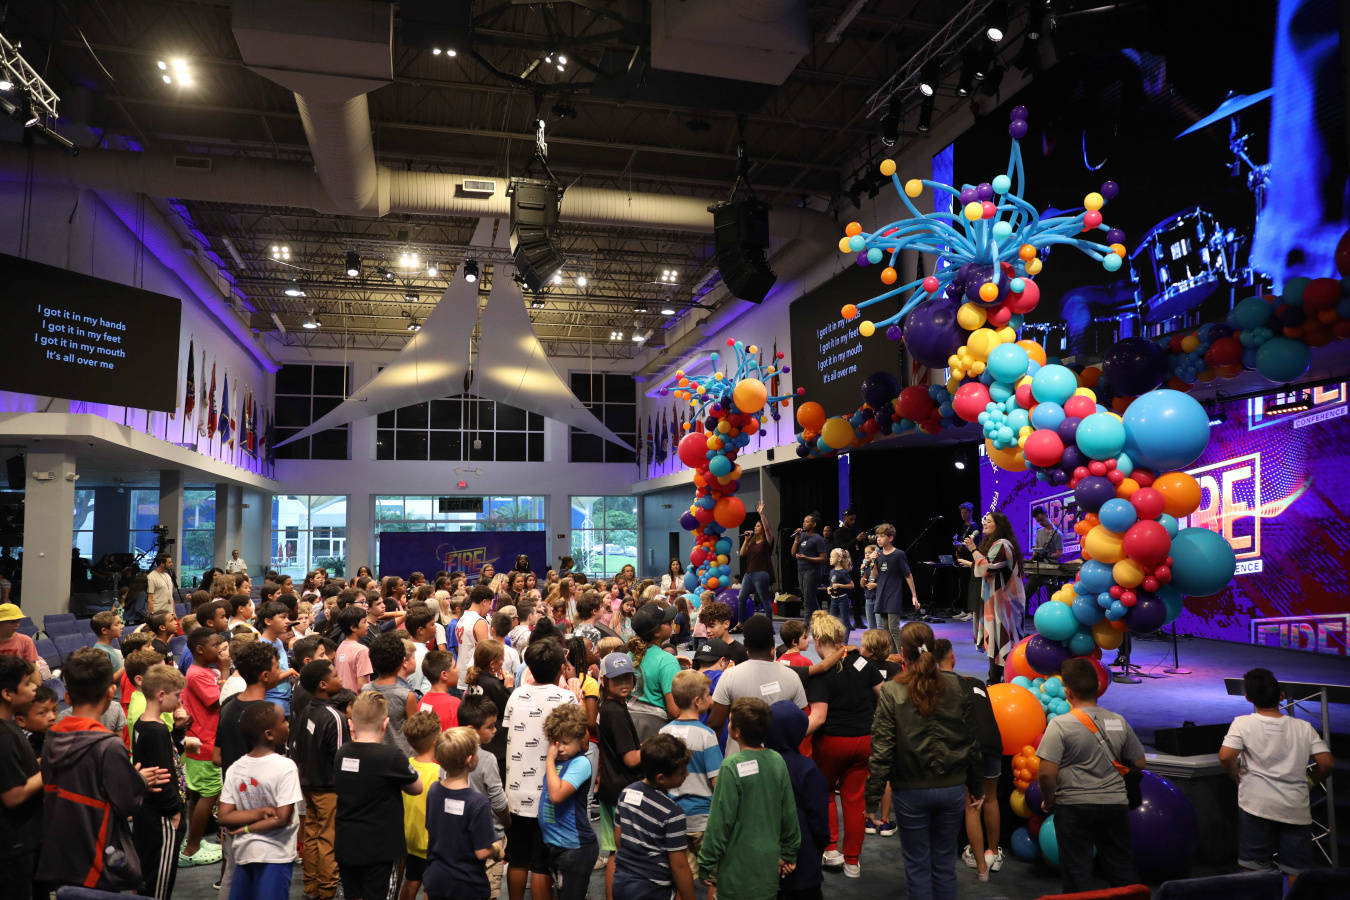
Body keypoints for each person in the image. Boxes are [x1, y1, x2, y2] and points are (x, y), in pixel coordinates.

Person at [865, 622, 983, 900]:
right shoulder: (958, 686)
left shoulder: (892, 690)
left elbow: (882, 749)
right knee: (945, 864)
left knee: (917, 866)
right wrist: (976, 786)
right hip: (952, 788)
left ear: (902, 652)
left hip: (910, 790)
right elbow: (972, 741)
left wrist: (872, 799)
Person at [38, 648, 168, 891]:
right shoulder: (108, 745)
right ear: (111, 691)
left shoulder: (52, 736)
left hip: (62, 851)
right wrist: (139, 780)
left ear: (67, 697)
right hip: (97, 853)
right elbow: (127, 804)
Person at [1036, 657, 1146, 894]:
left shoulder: (1060, 725)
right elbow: (1139, 762)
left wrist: (1049, 800)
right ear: (1098, 687)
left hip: (1073, 806)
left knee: (1077, 874)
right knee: (1122, 868)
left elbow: (1046, 774)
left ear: (1067, 692)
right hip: (1116, 804)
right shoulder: (1119, 721)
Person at [1220, 667, 1335, 884]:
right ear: (1281, 695)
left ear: (1248, 697)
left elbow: (1226, 757)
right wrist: (1310, 779)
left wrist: (1236, 776)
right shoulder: (1304, 727)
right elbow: (1327, 764)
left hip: (1256, 805)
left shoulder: (1242, 723)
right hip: (1295, 808)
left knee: (1255, 870)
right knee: (1297, 872)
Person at [805, 611, 883, 878]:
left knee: (826, 793)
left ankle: (830, 850)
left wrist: (790, 734)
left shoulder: (820, 674)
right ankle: (852, 861)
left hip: (832, 742)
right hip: (865, 741)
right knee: (854, 799)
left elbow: (818, 718)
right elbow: (885, 694)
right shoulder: (863, 662)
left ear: (818, 641)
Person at [698, 697, 800, 898]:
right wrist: (789, 853)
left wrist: (706, 862)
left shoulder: (730, 766)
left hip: (735, 873)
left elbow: (720, 821)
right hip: (768, 870)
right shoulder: (777, 760)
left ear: (736, 732)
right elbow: (789, 812)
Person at [503, 639, 578, 900]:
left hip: (515, 791)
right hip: (549, 792)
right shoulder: (567, 697)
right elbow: (577, 741)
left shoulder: (516, 694)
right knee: (541, 863)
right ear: (561, 667)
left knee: (517, 858)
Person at [334, 692, 424, 900]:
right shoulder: (392, 756)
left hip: (347, 842)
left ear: (351, 724)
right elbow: (416, 787)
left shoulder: (342, 753)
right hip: (382, 847)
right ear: (385, 724)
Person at [216, 641, 283, 900]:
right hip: (261, 812)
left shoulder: (228, 706)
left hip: (234, 807)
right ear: (265, 675)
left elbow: (216, 757)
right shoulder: (267, 715)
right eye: (277, 667)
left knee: (234, 879)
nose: (281, 672)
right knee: (263, 884)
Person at [933, 639, 1004, 881]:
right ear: (952, 657)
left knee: (973, 805)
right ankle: (994, 854)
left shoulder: (935, 686)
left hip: (971, 746)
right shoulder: (976, 682)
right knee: (991, 798)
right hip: (993, 743)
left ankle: (982, 867)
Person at [218, 702, 303, 900]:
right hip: (276, 855)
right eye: (283, 721)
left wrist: (246, 825)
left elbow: (225, 815)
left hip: (244, 852)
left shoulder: (235, 768)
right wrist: (261, 813)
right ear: (269, 734)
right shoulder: (286, 766)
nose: (288, 724)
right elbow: (282, 818)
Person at [129, 663, 194, 900]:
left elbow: (170, 756)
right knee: (158, 884)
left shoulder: (146, 724)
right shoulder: (155, 731)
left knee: (150, 877)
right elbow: (160, 776)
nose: (178, 702)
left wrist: (178, 730)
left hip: (151, 814)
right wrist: (174, 813)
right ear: (161, 695)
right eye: (176, 695)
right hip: (162, 818)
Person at [609, 733, 696, 900]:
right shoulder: (673, 813)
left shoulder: (627, 792)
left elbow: (619, 839)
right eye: (681, 772)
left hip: (621, 881)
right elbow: (679, 866)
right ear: (661, 778)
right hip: (654, 889)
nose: (686, 774)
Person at [659, 670, 723, 896]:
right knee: (714, 879)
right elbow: (717, 781)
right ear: (697, 701)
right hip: (704, 819)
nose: (711, 699)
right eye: (709, 695)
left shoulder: (664, 732)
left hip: (673, 817)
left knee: (680, 878)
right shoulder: (707, 735)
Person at [705, 615, 808, 757]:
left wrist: (711, 758)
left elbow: (715, 723)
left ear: (745, 644)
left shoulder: (729, 675)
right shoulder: (792, 676)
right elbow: (800, 722)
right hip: (780, 759)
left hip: (739, 760)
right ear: (773, 642)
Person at [424, 727, 502, 900]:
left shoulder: (433, 790)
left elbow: (431, 827)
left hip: (437, 878)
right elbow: (482, 852)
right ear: (469, 760)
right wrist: (498, 849)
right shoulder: (478, 802)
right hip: (467, 883)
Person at [293, 660, 349, 900]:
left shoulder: (307, 710)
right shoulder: (335, 716)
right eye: (336, 676)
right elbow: (342, 759)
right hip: (329, 788)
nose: (340, 679)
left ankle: (311, 887)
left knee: (312, 835)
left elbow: (296, 749)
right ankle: (328, 890)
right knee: (328, 837)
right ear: (323, 685)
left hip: (308, 784)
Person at [766, 701, 830, 900]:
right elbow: (818, 816)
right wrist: (823, 841)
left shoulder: (757, 765)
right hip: (804, 855)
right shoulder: (807, 768)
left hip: (764, 855)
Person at [180, 627, 229, 866]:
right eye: (215, 645)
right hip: (205, 741)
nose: (219, 649)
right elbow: (221, 701)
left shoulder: (204, 671)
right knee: (209, 793)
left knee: (199, 792)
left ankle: (195, 840)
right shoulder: (197, 674)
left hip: (203, 738)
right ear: (200, 649)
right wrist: (226, 671)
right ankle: (191, 849)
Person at [540, 704, 599, 899]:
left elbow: (557, 796)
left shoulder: (580, 763)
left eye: (565, 743)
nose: (560, 748)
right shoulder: (559, 762)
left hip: (575, 847)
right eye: (556, 742)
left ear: (581, 739)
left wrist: (549, 760)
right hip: (557, 844)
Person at [964, 511, 1025, 685]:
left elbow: (987, 568)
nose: (984, 523)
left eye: (989, 521)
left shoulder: (1003, 545)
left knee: (1001, 638)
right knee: (995, 639)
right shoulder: (996, 544)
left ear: (999, 526)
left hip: (1005, 602)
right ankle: (996, 678)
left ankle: (998, 679)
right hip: (996, 601)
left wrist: (973, 549)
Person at [0, 655, 42, 900]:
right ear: (7, 693)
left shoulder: (10, 726)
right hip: (13, 847)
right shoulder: (4, 737)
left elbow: (19, 769)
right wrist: (51, 769)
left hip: (24, 841)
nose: (34, 686)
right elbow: (13, 795)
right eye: (27, 683)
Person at [460, 697, 510, 897]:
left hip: (461, 837)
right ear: (472, 730)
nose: (495, 730)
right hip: (490, 837)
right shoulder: (487, 759)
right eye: (490, 727)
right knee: (488, 890)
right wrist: (507, 822)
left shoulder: (448, 756)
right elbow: (498, 800)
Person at [400, 711, 443, 900]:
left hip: (407, 836)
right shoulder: (438, 772)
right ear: (435, 740)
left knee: (411, 880)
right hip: (430, 840)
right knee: (432, 888)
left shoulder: (405, 765)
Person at [360, 633, 418, 758]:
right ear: (402, 662)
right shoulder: (406, 695)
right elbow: (415, 731)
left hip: (373, 756)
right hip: (401, 758)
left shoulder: (365, 690)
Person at [630, 603, 681, 741]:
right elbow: (675, 711)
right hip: (656, 732)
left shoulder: (629, 654)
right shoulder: (666, 660)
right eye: (667, 622)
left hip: (629, 727)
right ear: (656, 632)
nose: (671, 623)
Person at [869, 523, 919, 654]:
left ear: (890, 538)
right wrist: (872, 562)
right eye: (877, 537)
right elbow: (875, 576)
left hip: (893, 595)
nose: (879, 539)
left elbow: (908, 575)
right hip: (881, 594)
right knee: (886, 630)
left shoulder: (899, 554)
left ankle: (904, 657)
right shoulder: (878, 554)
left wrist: (914, 595)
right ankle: (892, 657)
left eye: (882, 536)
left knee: (894, 628)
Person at [736, 501, 775, 622]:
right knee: (741, 599)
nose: (755, 527)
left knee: (765, 600)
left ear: (762, 529)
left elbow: (768, 529)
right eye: (755, 526)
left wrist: (761, 514)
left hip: (761, 573)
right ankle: (741, 623)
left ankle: (768, 624)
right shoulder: (752, 542)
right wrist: (746, 539)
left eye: (758, 526)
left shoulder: (767, 542)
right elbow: (742, 553)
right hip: (749, 574)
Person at [1023, 507, 1064, 614]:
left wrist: (1048, 555)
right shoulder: (1039, 532)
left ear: (1047, 515)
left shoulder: (1057, 534)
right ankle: (1025, 618)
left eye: (1041, 519)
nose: (1040, 523)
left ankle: (1053, 617)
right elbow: (1036, 547)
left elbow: (1059, 553)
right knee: (1025, 594)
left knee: (1052, 598)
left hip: (1050, 570)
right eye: (1038, 521)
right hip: (1038, 568)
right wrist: (1032, 560)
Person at [790, 514, 828, 618]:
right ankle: (821, 619)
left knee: (807, 600)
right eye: (804, 521)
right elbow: (793, 553)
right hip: (801, 569)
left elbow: (823, 559)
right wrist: (796, 539)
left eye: (807, 522)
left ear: (814, 524)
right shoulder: (801, 536)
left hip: (812, 570)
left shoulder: (818, 539)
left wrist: (807, 558)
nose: (804, 523)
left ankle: (807, 624)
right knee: (809, 597)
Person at [333, 606, 374, 691]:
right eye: (364, 622)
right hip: (357, 697)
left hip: (344, 696)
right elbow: (361, 686)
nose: (368, 625)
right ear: (353, 628)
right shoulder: (362, 650)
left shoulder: (340, 647)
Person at [952, 503, 980, 624]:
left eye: (965, 513)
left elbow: (975, 545)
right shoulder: (964, 526)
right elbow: (963, 543)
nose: (963, 515)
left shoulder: (974, 527)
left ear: (971, 512)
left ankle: (972, 612)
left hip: (970, 559)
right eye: (961, 513)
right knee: (963, 585)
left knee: (970, 586)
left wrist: (962, 545)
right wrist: (957, 544)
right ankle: (965, 609)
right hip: (962, 558)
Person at [0, 604, 40, 688]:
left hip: (17, 684)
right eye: (12, 621)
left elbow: (32, 668)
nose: (17, 624)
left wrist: (37, 688)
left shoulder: (25, 640)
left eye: (18, 621)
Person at [860, 544, 880, 630]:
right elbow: (862, 585)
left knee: (880, 625)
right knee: (871, 626)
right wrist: (862, 571)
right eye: (866, 553)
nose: (867, 555)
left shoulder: (879, 566)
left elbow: (885, 582)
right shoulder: (866, 568)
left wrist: (875, 585)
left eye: (870, 552)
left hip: (878, 598)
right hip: (868, 598)